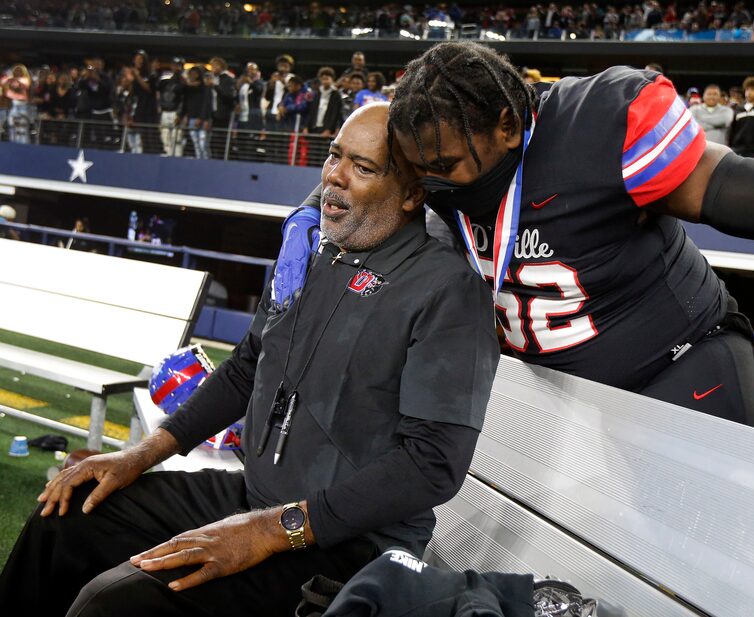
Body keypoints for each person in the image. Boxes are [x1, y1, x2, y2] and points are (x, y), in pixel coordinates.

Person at [0, 103, 499, 617]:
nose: (335, 177)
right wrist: (138, 456)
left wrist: (270, 528)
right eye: (334, 156)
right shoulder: (314, 253)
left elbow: (433, 465)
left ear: (414, 193)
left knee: (115, 602)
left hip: (348, 543)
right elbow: (246, 366)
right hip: (254, 496)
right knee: (63, 518)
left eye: (363, 167)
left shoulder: (447, 290)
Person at [277, 41, 754, 430]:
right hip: (550, 391)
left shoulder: (593, 131)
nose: (431, 182)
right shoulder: (429, 146)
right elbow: (363, 169)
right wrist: (305, 213)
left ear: (508, 126)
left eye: (445, 163)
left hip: (675, 369)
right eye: (419, 166)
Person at [728, 76, 754, 159]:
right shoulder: (738, 108)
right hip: (737, 148)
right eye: (747, 89)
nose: (749, 93)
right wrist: (731, 145)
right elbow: (732, 130)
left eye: (753, 90)